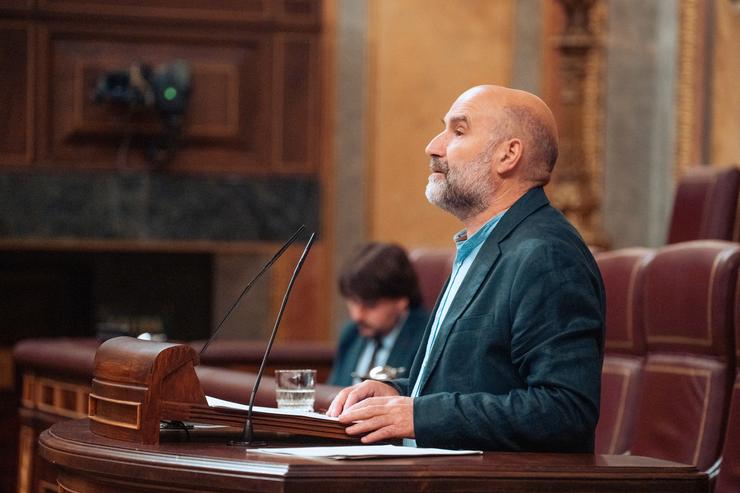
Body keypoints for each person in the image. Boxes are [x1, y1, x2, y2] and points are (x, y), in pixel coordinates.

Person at [327, 85, 605, 453]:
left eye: (457, 131)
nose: (433, 146)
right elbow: (481, 383)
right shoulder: (483, 246)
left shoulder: (547, 255)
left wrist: (418, 416)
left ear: (508, 155)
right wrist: (397, 394)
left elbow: (565, 410)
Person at [327, 242, 429, 387]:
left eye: (370, 305)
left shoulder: (428, 338)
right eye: (353, 302)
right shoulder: (351, 334)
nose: (357, 316)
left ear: (401, 300)